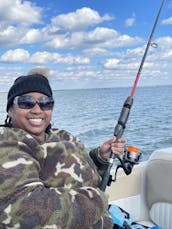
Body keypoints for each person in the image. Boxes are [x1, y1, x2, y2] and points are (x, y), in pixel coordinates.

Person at [0, 68, 125, 228]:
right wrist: (96, 200)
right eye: (26, 102)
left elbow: (71, 173)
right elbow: (23, 210)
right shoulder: (8, 143)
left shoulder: (60, 135)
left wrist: (99, 158)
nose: (37, 110)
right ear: (10, 109)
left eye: (46, 103)